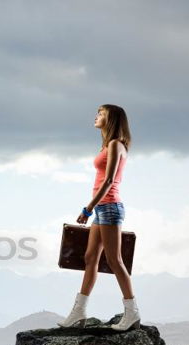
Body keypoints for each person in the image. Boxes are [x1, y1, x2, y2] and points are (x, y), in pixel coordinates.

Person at [57, 104, 141, 331]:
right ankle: (78, 312)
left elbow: (109, 180)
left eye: (101, 114)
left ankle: (132, 312)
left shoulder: (116, 144)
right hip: (103, 209)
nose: (96, 116)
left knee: (115, 261)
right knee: (90, 257)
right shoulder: (108, 145)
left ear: (112, 119)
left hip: (109, 208)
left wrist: (88, 208)